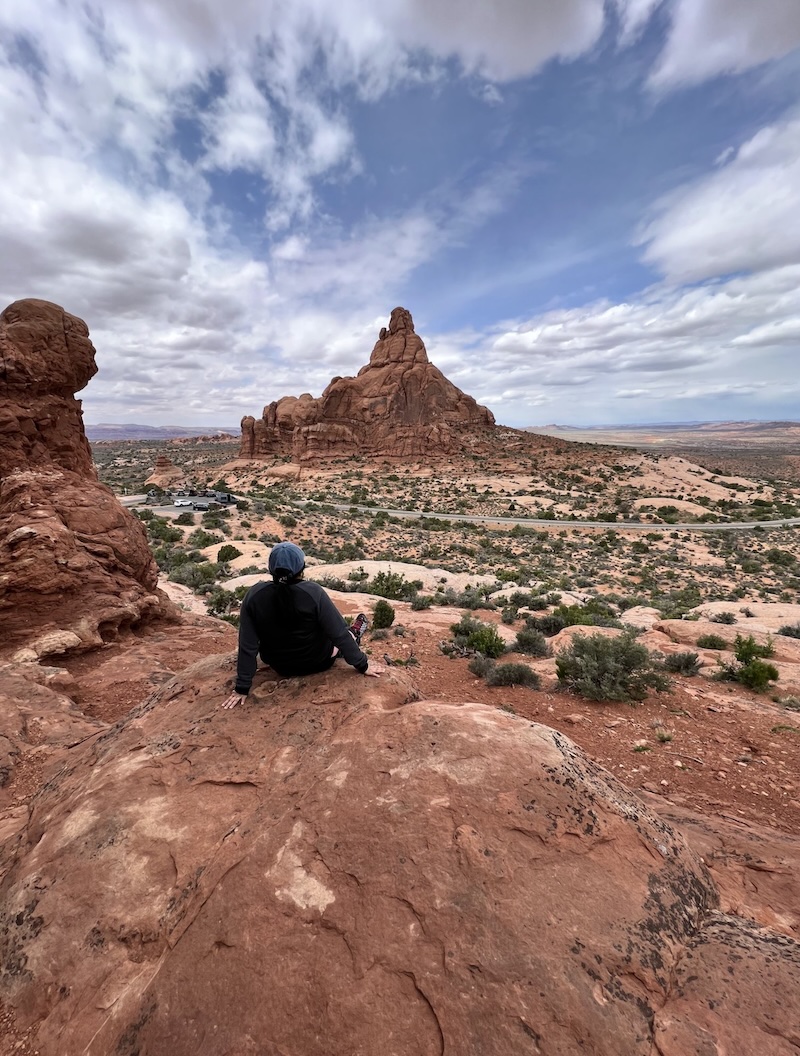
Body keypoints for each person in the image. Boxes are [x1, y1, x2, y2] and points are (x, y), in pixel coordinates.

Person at [220, 541, 383, 709]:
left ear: (271, 569)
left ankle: (352, 633)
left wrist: (242, 687)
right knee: (343, 632)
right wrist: (363, 665)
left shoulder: (254, 595)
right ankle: (355, 632)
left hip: (280, 666)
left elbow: (247, 645)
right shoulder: (313, 592)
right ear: (302, 568)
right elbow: (338, 634)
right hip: (318, 661)